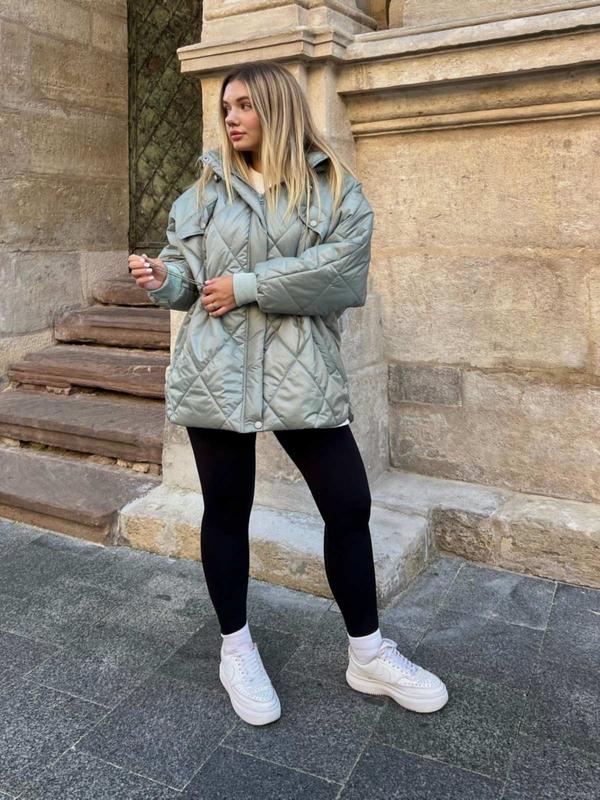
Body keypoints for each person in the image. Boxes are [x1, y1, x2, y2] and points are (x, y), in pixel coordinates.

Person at [127, 61, 448, 726]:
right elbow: (187, 278)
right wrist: (163, 278)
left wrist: (248, 286)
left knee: (348, 503)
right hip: (217, 367)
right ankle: (236, 649)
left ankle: (368, 653)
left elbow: (342, 273)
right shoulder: (202, 193)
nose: (231, 117)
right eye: (226, 107)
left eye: (245, 104)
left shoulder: (332, 190)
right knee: (226, 509)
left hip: (301, 369)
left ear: (277, 108)